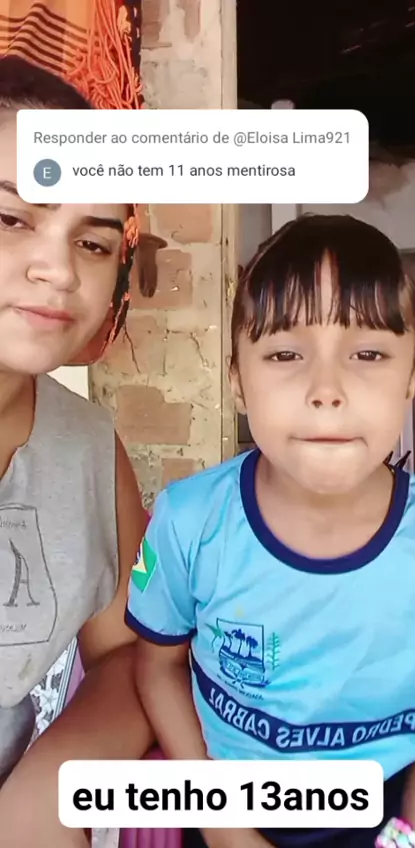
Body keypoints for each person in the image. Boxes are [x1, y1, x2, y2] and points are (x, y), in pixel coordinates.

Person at [126, 215, 415, 848]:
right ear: (237, 380)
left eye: (368, 354)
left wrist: (412, 835)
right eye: (286, 354)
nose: (326, 391)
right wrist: (225, 829)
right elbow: (157, 668)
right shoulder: (188, 521)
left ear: (412, 377)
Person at [0, 57, 154, 847]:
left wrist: (52, 789)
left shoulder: (89, 447)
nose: (58, 270)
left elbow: (129, 654)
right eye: (11, 219)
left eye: (92, 242)